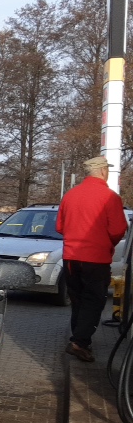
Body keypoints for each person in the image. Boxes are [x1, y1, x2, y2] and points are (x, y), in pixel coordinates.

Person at [56, 155, 128, 362]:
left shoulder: (70, 195)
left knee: (77, 299)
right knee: (94, 300)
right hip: (96, 258)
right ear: (103, 171)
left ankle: (80, 340)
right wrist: (106, 242)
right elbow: (118, 229)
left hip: (71, 258)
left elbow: (59, 226)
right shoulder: (110, 197)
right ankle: (79, 342)